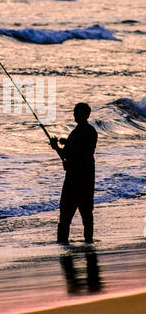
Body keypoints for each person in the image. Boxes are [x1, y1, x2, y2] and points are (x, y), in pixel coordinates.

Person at [50, 103, 98, 244]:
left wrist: (56, 147)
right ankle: (89, 242)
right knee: (87, 215)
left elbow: (67, 155)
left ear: (84, 114)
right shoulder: (91, 131)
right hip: (88, 178)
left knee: (65, 215)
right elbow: (81, 150)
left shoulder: (77, 133)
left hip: (73, 180)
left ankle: (62, 244)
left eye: (76, 113)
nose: (74, 115)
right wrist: (67, 143)